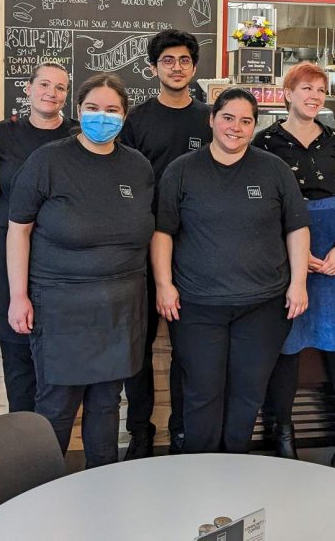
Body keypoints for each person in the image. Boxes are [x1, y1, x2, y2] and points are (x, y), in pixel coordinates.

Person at [5, 74, 154, 468]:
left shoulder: (138, 167)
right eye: (92, 108)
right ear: (78, 110)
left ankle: (99, 492)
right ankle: (40, 498)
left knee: (107, 407)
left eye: (111, 110)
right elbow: (17, 230)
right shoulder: (48, 161)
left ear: (124, 116)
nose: (101, 117)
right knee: (55, 408)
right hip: (60, 306)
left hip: (121, 309)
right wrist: (18, 296)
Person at [152, 87, 311, 454]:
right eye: (227, 117)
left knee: (248, 393)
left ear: (255, 126)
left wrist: (298, 283)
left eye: (245, 121)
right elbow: (163, 232)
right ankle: (200, 468)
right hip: (196, 306)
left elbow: (297, 228)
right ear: (211, 119)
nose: (235, 128)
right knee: (202, 392)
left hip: (263, 306)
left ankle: (236, 466)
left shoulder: (274, 169)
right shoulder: (182, 171)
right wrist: (164, 285)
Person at [252, 62, 335, 469]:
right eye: (306, 88)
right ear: (287, 94)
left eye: (321, 89)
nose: (314, 95)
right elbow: (262, 208)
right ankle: (282, 432)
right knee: (287, 345)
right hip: (285, 251)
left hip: (333, 251)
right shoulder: (265, 142)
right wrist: (291, 257)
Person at [119, 29, 212, 458]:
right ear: (154, 68)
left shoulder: (210, 118)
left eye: (184, 60)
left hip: (195, 249)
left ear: (194, 67)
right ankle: (140, 430)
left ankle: (182, 430)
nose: (177, 67)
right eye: (168, 60)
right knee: (137, 345)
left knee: (189, 349)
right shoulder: (136, 120)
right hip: (141, 248)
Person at [0, 62, 78, 413]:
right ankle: (21, 440)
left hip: (58, 255)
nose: (51, 93)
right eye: (44, 84)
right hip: (6, 250)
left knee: (57, 355)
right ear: (28, 88)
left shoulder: (78, 135)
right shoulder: (3, 135)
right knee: (17, 353)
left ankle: (53, 443)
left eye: (60, 87)